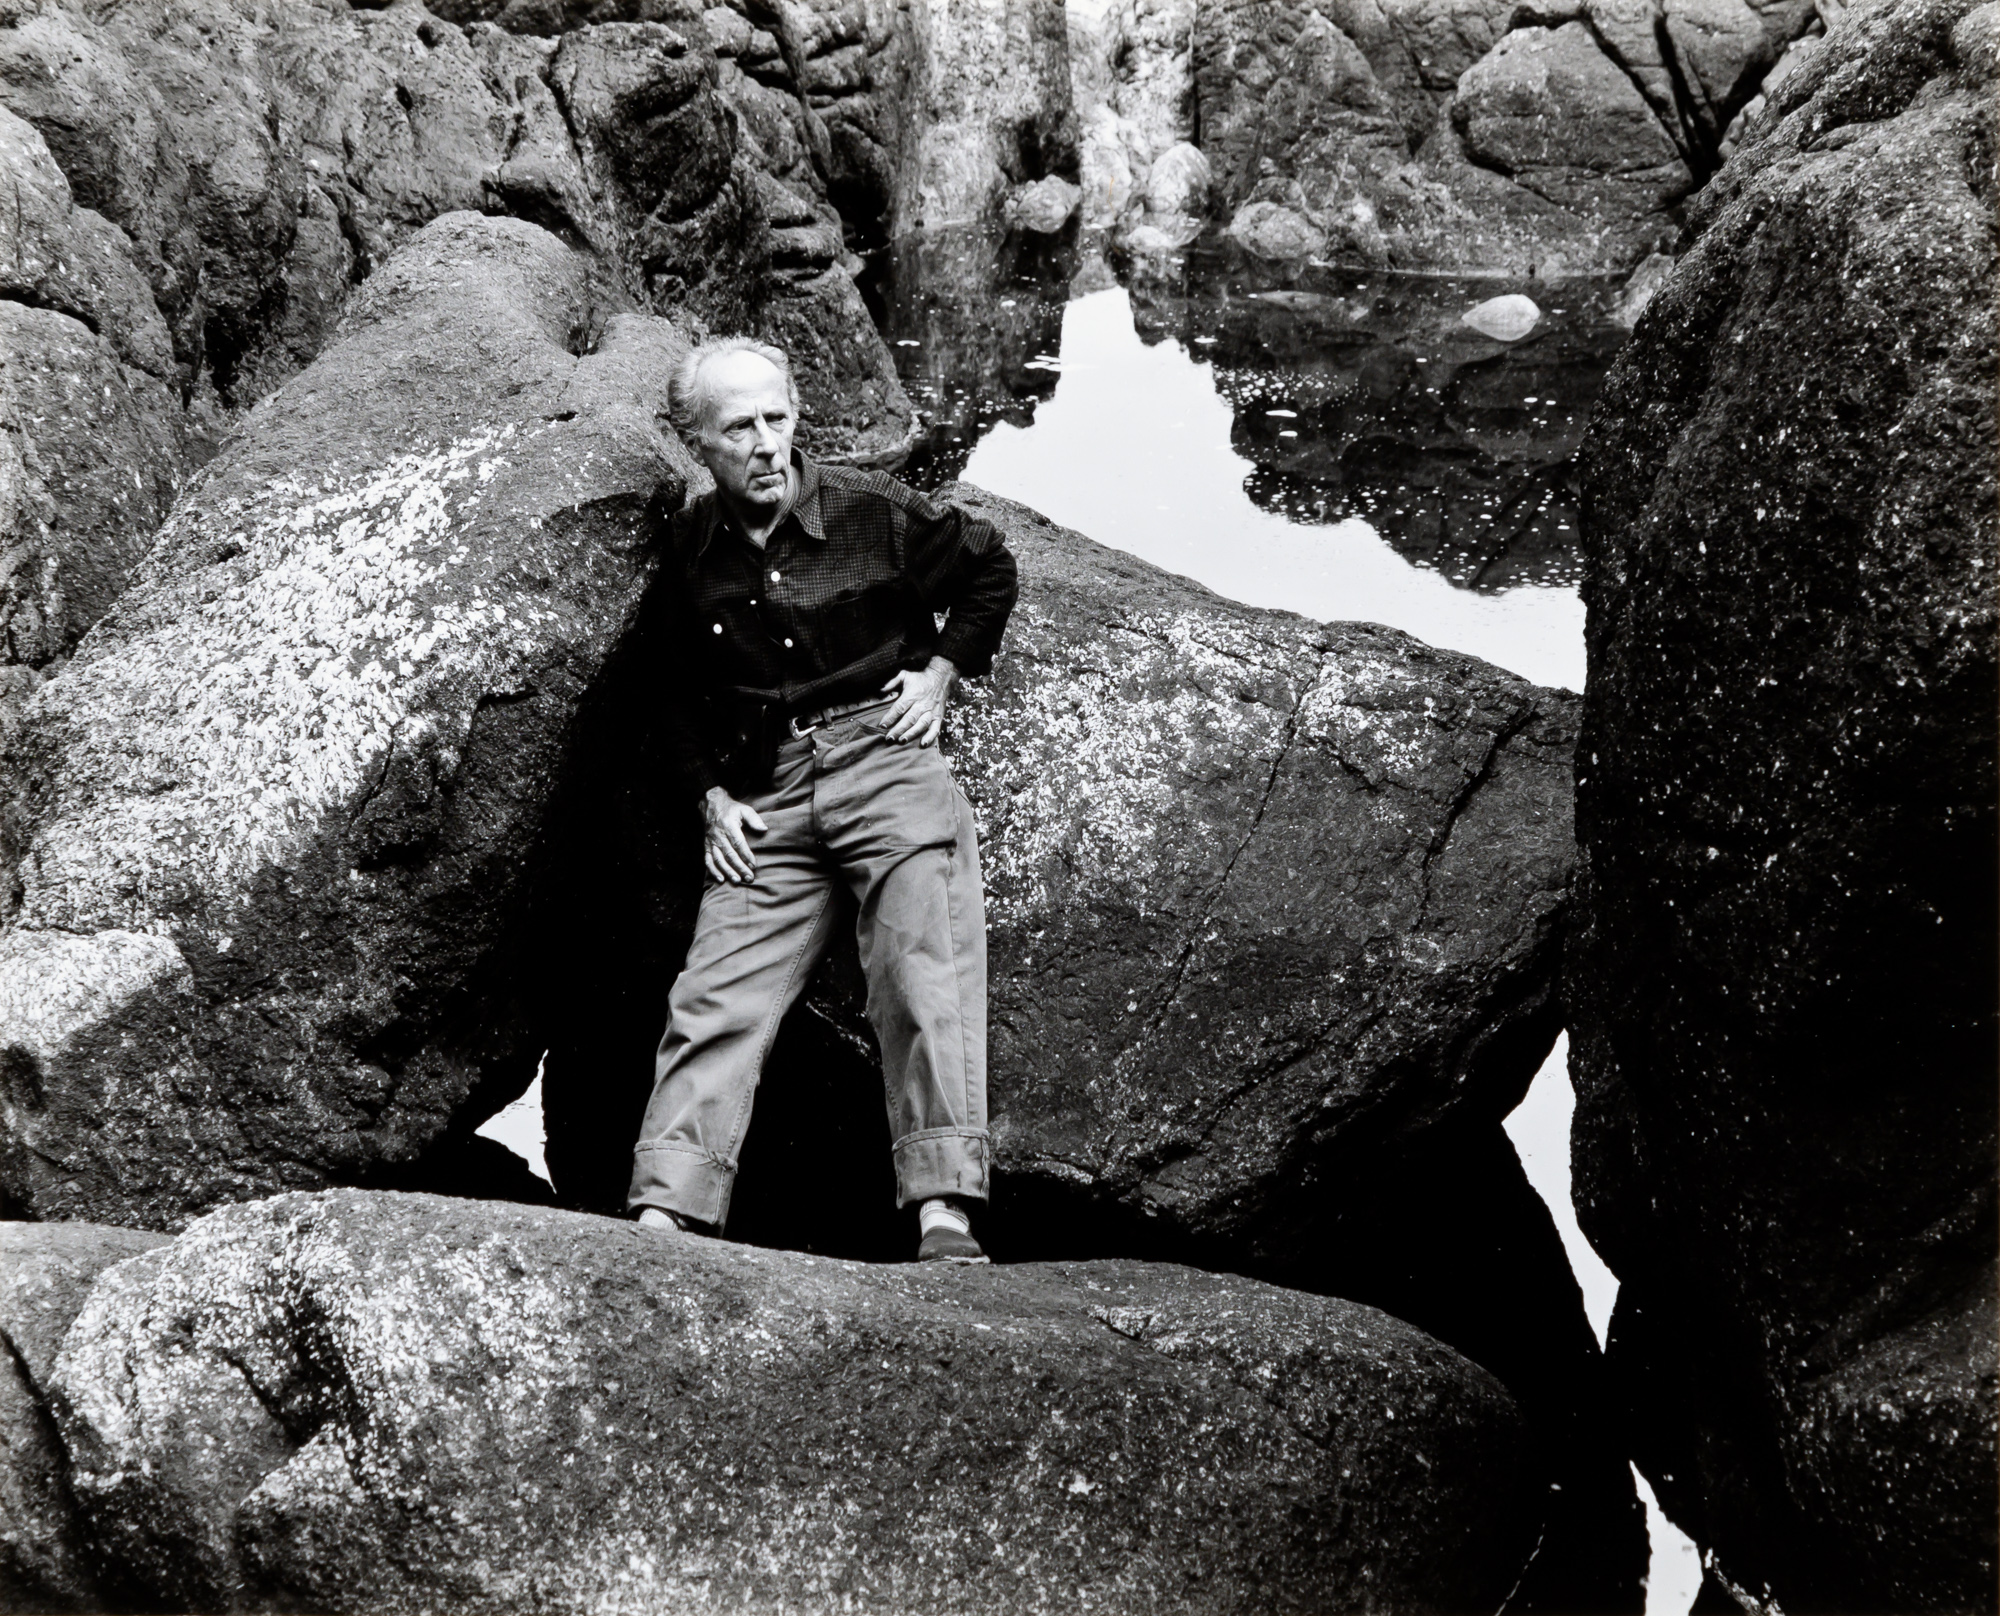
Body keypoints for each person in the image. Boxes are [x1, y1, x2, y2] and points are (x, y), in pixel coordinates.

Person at [627, 336, 1017, 1264]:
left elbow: (990, 568)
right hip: (767, 794)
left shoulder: (872, 511)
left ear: (797, 414)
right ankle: (665, 1215)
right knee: (712, 997)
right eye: (738, 428)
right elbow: (668, 690)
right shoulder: (690, 552)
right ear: (696, 443)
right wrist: (710, 797)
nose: (765, 444)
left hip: (885, 759)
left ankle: (943, 1211)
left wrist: (940, 672)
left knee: (920, 972)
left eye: (777, 418)